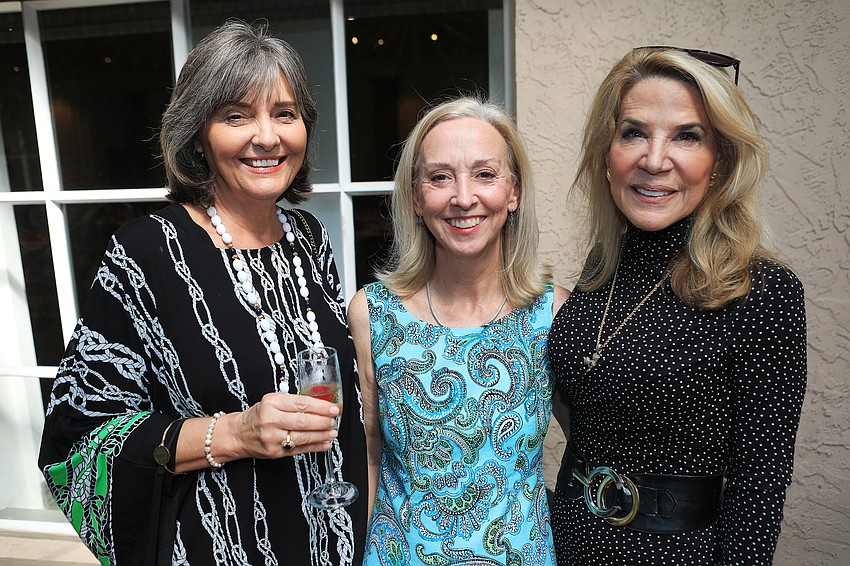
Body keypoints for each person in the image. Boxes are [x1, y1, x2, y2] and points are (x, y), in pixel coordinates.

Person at [37, 21, 367, 565]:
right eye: (236, 116)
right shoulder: (146, 251)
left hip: (330, 543)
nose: (267, 136)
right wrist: (236, 432)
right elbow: (76, 440)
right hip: (219, 545)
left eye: (285, 114)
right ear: (197, 133)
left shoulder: (308, 237)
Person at [548, 46, 807, 565]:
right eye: (634, 132)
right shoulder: (602, 272)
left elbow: (759, 492)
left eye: (687, 136)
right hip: (564, 545)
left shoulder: (763, 292)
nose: (655, 159)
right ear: (607, 152)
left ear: (721, 161)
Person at [348, 97, 569, 565]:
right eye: (439, 176)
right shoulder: (373, 312)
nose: (463, 197)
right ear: (415, 196)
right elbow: (368, 454)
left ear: (514, 192)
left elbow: (592, 444)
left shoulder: (552, 313)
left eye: (485, 175)